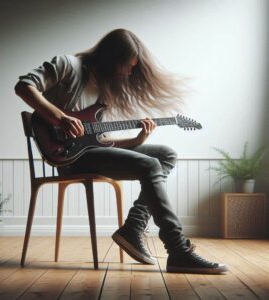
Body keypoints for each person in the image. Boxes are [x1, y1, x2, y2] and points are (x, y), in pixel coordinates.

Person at [15, 28, 228, 274]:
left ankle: (133, 228)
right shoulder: (67, 65)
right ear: (111, 58)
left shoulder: (104, 90)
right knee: (150, 165)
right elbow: (24, 86)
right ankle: (177, 250)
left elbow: (101, 143)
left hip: (90, 154)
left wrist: (137, 139)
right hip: (67, 157)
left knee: (165, 155)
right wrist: (60, 117)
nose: (128, 72)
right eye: (127, 66)